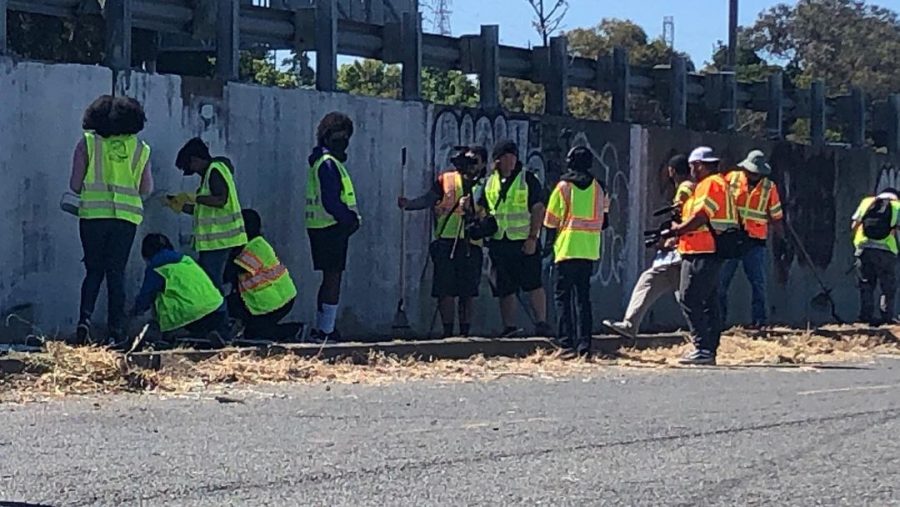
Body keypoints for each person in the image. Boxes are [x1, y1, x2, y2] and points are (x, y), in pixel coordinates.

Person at [70, 95, 153, 347]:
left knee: (93, 270)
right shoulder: (141, 149)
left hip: (93, 218)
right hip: (125, 219)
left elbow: (74, 185)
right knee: (116, 273)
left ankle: (84, 321)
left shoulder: (87, 144)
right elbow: (146, 188)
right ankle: (116, 330)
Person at [398, 146, 487, 337]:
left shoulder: (485, 185)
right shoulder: (446, 179)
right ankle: (447, 333)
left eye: (475, 161)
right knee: (444, 290)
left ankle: (464, 333)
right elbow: (430, 199)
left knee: (467, 292)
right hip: (446, 239)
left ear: (483, 164)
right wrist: (410, 204)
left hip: (471, 242)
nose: (470, 165)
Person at [603, 154, 694, 338]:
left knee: (683, 295)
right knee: (663, 285)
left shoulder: (684, 189)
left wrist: (672, 238)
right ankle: (630, 324)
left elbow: (684, 218)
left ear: (671, 171)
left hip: (683, 251)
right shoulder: (693, 187)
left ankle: (703, 335)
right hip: (682, 253)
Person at [668, 147, 739, 365]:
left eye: (692, 166)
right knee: (708, 300)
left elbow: (700, 217)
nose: (690, 171)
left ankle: (702, 347)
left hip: (702, 250)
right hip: (706, 249)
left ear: (699, 164)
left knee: (689, 297)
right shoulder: (716, 183)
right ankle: (708, 349)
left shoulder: (710, 184)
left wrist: (677, 230)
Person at [479, 140, 552, 337]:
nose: (511, 160)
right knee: (504, 287)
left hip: (523, 241)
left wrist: (533, 237)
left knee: (533, 283)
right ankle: (509, 327)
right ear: (498, 160)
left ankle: (542, 323)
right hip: (499, 241)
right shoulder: (489, 182)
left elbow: (537, 209)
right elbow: (483, 208)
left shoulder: (527, 179)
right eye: (506, 156)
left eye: (513, 156)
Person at [543, 147, 609, 356]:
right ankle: (585, 346)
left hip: (566, 249)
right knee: (583, 299)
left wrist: (547, 246)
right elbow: (605, 221)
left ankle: (566, 344)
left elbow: (550, 221)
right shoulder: (599, 188)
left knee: (562, 298)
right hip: (589, 251)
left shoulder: (563, 187)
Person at [305, 112, 360, 342]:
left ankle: (323, 327)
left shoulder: (323, 161)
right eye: (339, 136)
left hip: (322, 226)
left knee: (329, 277)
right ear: (327, 137)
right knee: (333, 279)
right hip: (331, 227)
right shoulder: (328, 164)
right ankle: (326, 331)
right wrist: (350, 220)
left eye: (346, 136)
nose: (343, 140)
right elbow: (331, 201)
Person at [170, 138, 247, 298]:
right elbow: (203, 210)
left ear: (195, 160)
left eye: (190, 167)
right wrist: (179, 205)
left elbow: (220, 200)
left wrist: (193, 198)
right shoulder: (210, 174)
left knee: (212, 283)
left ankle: (219, 319)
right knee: (211, 281)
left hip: (219, 240)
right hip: (216, 241)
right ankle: (217, 318)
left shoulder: (214, 171)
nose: (192, 171)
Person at [719, 150, 785, 328]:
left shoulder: (769, 188)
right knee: (721, 282)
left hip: (755, 241)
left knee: (758, 283)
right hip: (731, 238)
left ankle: (759, 322)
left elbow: (776, 216)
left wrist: (782, 240)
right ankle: (718, 321)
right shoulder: (731, 179)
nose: (753, 175)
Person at [132, 233, 228, 348]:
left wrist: (134, 313)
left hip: (192, 316)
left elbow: (145, 297)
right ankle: (208, 337)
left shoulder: (156, 268)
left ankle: (190, 339)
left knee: (168, 337)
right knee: (204, 331)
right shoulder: (187, 261)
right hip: (217, 308)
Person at [225, 209, 300, 340]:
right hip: (274, 297)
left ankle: (294, 330)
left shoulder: (253, 248)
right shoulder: (257, 243)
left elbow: (230, 273)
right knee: (253, 330)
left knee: (256, 335)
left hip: (273, 301)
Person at [850, 188, 900, 325]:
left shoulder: (867, 202)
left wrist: (856, 245)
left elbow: (854, 224)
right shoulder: (897, 206)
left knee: (866, 283)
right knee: (888, 286)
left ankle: (865, 317)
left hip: (863, 248)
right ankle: (886, 318)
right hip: (886, 251)